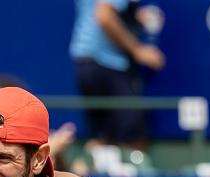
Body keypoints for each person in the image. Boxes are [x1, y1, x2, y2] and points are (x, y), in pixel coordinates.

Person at [69, 0, 165, 150]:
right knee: (133, 139)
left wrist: (135, 17)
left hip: (88, 62)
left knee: (103, 137)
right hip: (107, 64)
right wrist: (138, 50)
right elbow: (105, 16)